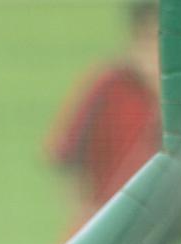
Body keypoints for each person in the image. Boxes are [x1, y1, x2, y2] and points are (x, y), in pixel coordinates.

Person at [45, 1, 161, 232]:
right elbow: (66, 154)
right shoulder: (108, 84)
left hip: (168, 231)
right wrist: (83, 217)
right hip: (107, 226)